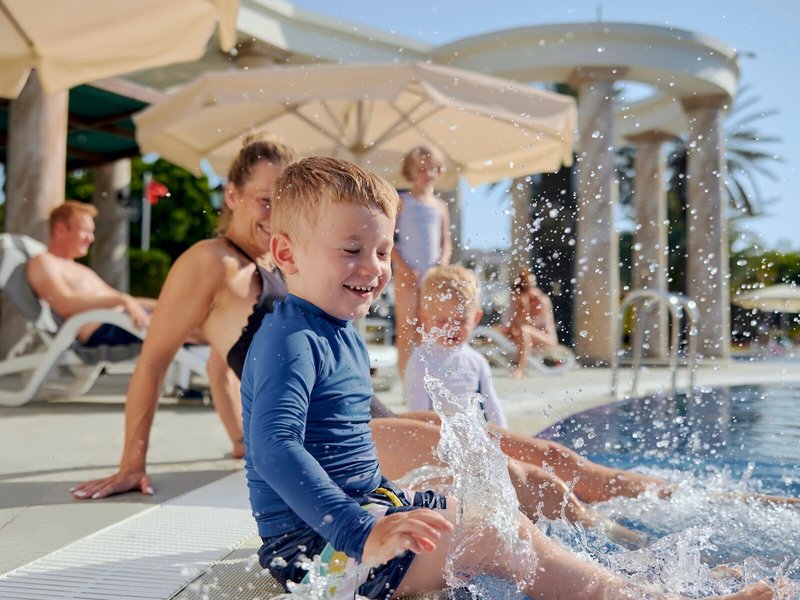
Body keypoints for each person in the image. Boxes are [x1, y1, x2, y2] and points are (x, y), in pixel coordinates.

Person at [243, 156, 773, 600]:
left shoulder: (335, 331)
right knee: (499, 536)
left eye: (383, 251)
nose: (375, 268)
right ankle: (645, 597)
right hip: (315, 554)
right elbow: (272, 447)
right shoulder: (291, 340)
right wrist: (361, 530)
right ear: (287, 253)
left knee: (492, 502)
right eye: (351, 250)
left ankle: (642, 581)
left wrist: (388, 506)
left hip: (360, 518)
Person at [27, 201, 154, 347]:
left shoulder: (82, 270)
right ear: (60, 229)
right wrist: (122, 300)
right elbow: (64, 304)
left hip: (123, 323)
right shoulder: (44, 262)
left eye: (92, 232)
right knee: (172, 323)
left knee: (173, 313)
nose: (91, 238)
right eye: (85, 231)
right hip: (105, 332)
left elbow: (121, 299)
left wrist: (162, 305)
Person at [405, 265, 507, 428]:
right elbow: (418, 416)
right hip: (435, 436)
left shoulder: (477, 362)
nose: (451, 328)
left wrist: (504, 438)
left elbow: (493, 409)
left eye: (460, 321)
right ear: (424, 318)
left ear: (476, 318)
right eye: (441, 321)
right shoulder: (421, 361)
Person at [393, 146, 452, 376]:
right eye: (421, 169)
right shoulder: (402, 201)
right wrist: (403, 267)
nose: (427, 173)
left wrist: (440, 268)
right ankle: (405, 381)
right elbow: (389, 240)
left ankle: (426, 378)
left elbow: (445, 242)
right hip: (406, 274)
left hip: (431, 277)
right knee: (406, 329)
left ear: (438, 171)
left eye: (431, 168)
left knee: (428, 329)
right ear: (410, 172)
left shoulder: (440, 207)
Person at [500, 267, 559, 379]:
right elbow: (513, 326)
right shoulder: (520, 300)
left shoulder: (541, 301)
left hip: (546, 339)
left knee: (524, 330)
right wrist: (521, 309)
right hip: (526, 336)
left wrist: (526, 309)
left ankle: (520, 368)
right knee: (509, 331)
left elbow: (533, 325)